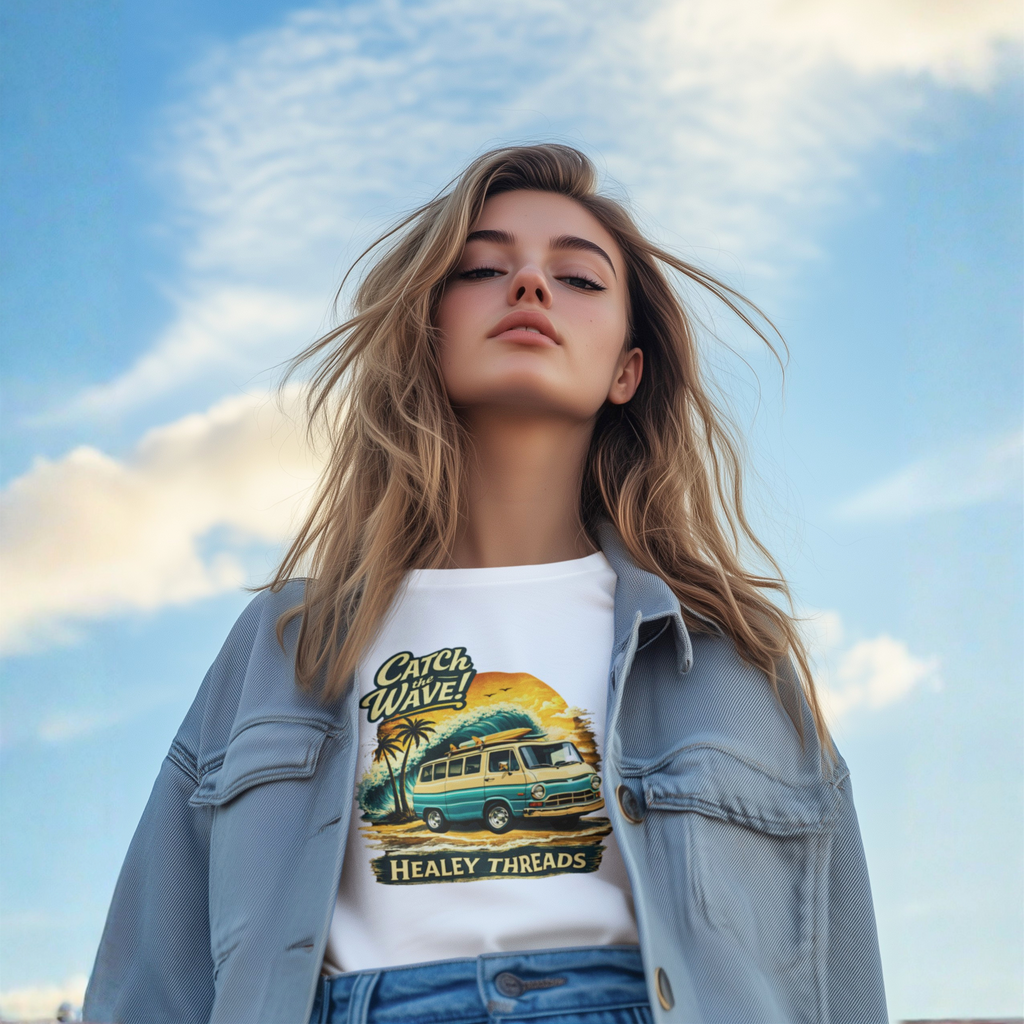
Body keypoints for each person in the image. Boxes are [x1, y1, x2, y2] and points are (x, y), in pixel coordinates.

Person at [83, 144, 887, 1024]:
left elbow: (826, 972)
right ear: (426, 330)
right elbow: (153, 975)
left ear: (628, 369)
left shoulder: (732, 656)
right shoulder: (285, 640)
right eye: (482, 268)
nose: (531, 287)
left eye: (578, 279)